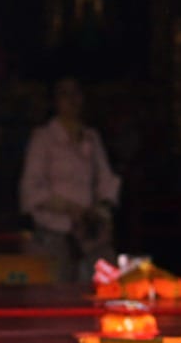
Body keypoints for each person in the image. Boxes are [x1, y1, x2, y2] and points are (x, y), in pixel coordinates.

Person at [18, 77, 120, 284]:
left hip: (89, 236)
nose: (72, 100)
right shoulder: (44, 138)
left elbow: (107, 181)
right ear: (55, 100)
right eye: (65, 94)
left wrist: (101, 211)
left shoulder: (91, 138)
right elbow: (31, 190)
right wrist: (70, 209)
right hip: (53, 235)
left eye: (76, 94)